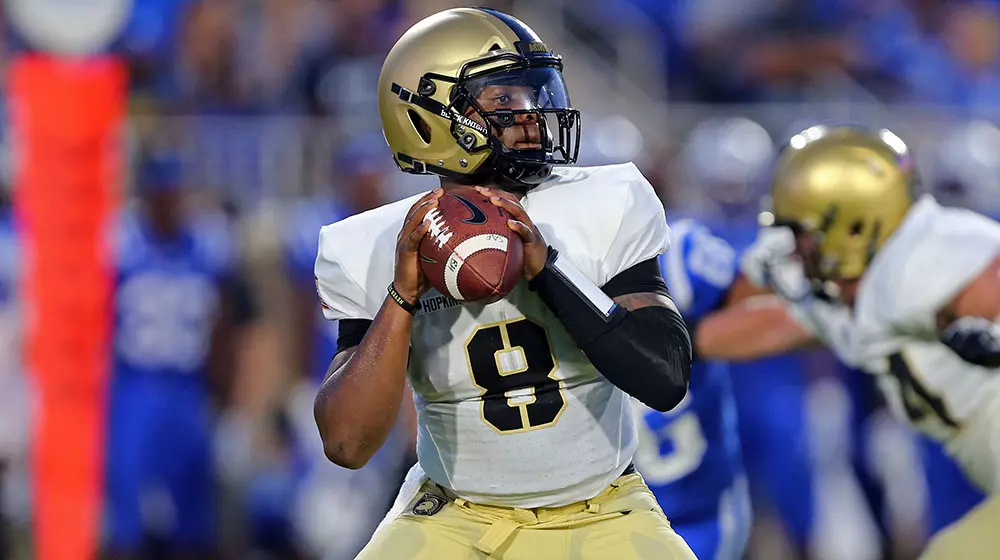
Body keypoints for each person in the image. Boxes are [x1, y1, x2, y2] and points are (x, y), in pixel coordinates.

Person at [312, 7, 696, 559]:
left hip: (602, 507)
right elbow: (347, 443)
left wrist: (549, 270)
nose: (532, 113)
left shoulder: (605, 201)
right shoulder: (373, 244)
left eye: (534, 92)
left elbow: (665, 377)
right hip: (454, 514)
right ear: (428, 118)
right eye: (504, 98)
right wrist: (401, 297)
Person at [703, 125, 1000, 559]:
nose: (795, 249)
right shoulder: (854, 293)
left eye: (803, 231)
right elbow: (761, 327)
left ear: (854, 224)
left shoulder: (928, 257)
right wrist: (649, 341)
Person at [104, 155, 255, 559]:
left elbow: (227, 326)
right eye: (162, 195)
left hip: (189, 389)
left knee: (194, 515)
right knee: (127, 511)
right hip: (135, 385)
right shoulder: (121, 244)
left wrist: (229, 400)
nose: (171, 204)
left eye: (175, 195)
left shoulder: (207, 246)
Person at [633, 219, 752, 560]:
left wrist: (694, 340)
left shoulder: (675, 253)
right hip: (604, 513)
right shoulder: (535, 265)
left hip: (697, 511)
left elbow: (772, 304)